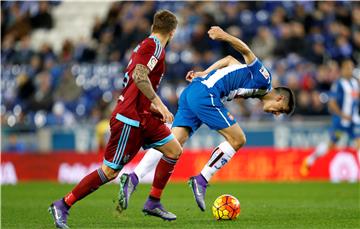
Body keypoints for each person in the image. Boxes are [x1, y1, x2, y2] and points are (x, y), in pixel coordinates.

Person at [118, 26, 295, 213]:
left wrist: (204, 72)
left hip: (193, 91)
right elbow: (246, 51)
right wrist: (224, 36)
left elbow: (229, 61)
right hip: (205, 94)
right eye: (280, 110)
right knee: (238, 139)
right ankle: (201, 180)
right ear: (280, 98)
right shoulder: (264, 80)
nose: (276, 114)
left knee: (172, 142)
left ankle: (133, 179)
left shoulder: (254, 87)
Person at [49, 10, 180, 228]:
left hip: (145, 116)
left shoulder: (146, 46)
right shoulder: (155, 47)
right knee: (110, 172)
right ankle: (63, 204)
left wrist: (153, 109)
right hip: (130, 119)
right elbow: (139, 76)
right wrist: (160, 104)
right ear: (172, 32)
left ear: (152, 27)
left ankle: (153, 201)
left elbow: (134, 83)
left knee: (174, 150)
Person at [300, 59, 360, 177]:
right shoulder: (338, 84)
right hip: (341, 122)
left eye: (351, 68)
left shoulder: (355, 83)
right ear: (342, 70)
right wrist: (343, 115)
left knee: (359, 144)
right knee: (330, 145)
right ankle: (310, 159)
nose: (350, 70)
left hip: (354, 121)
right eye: (347, 68)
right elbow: (332, 103)